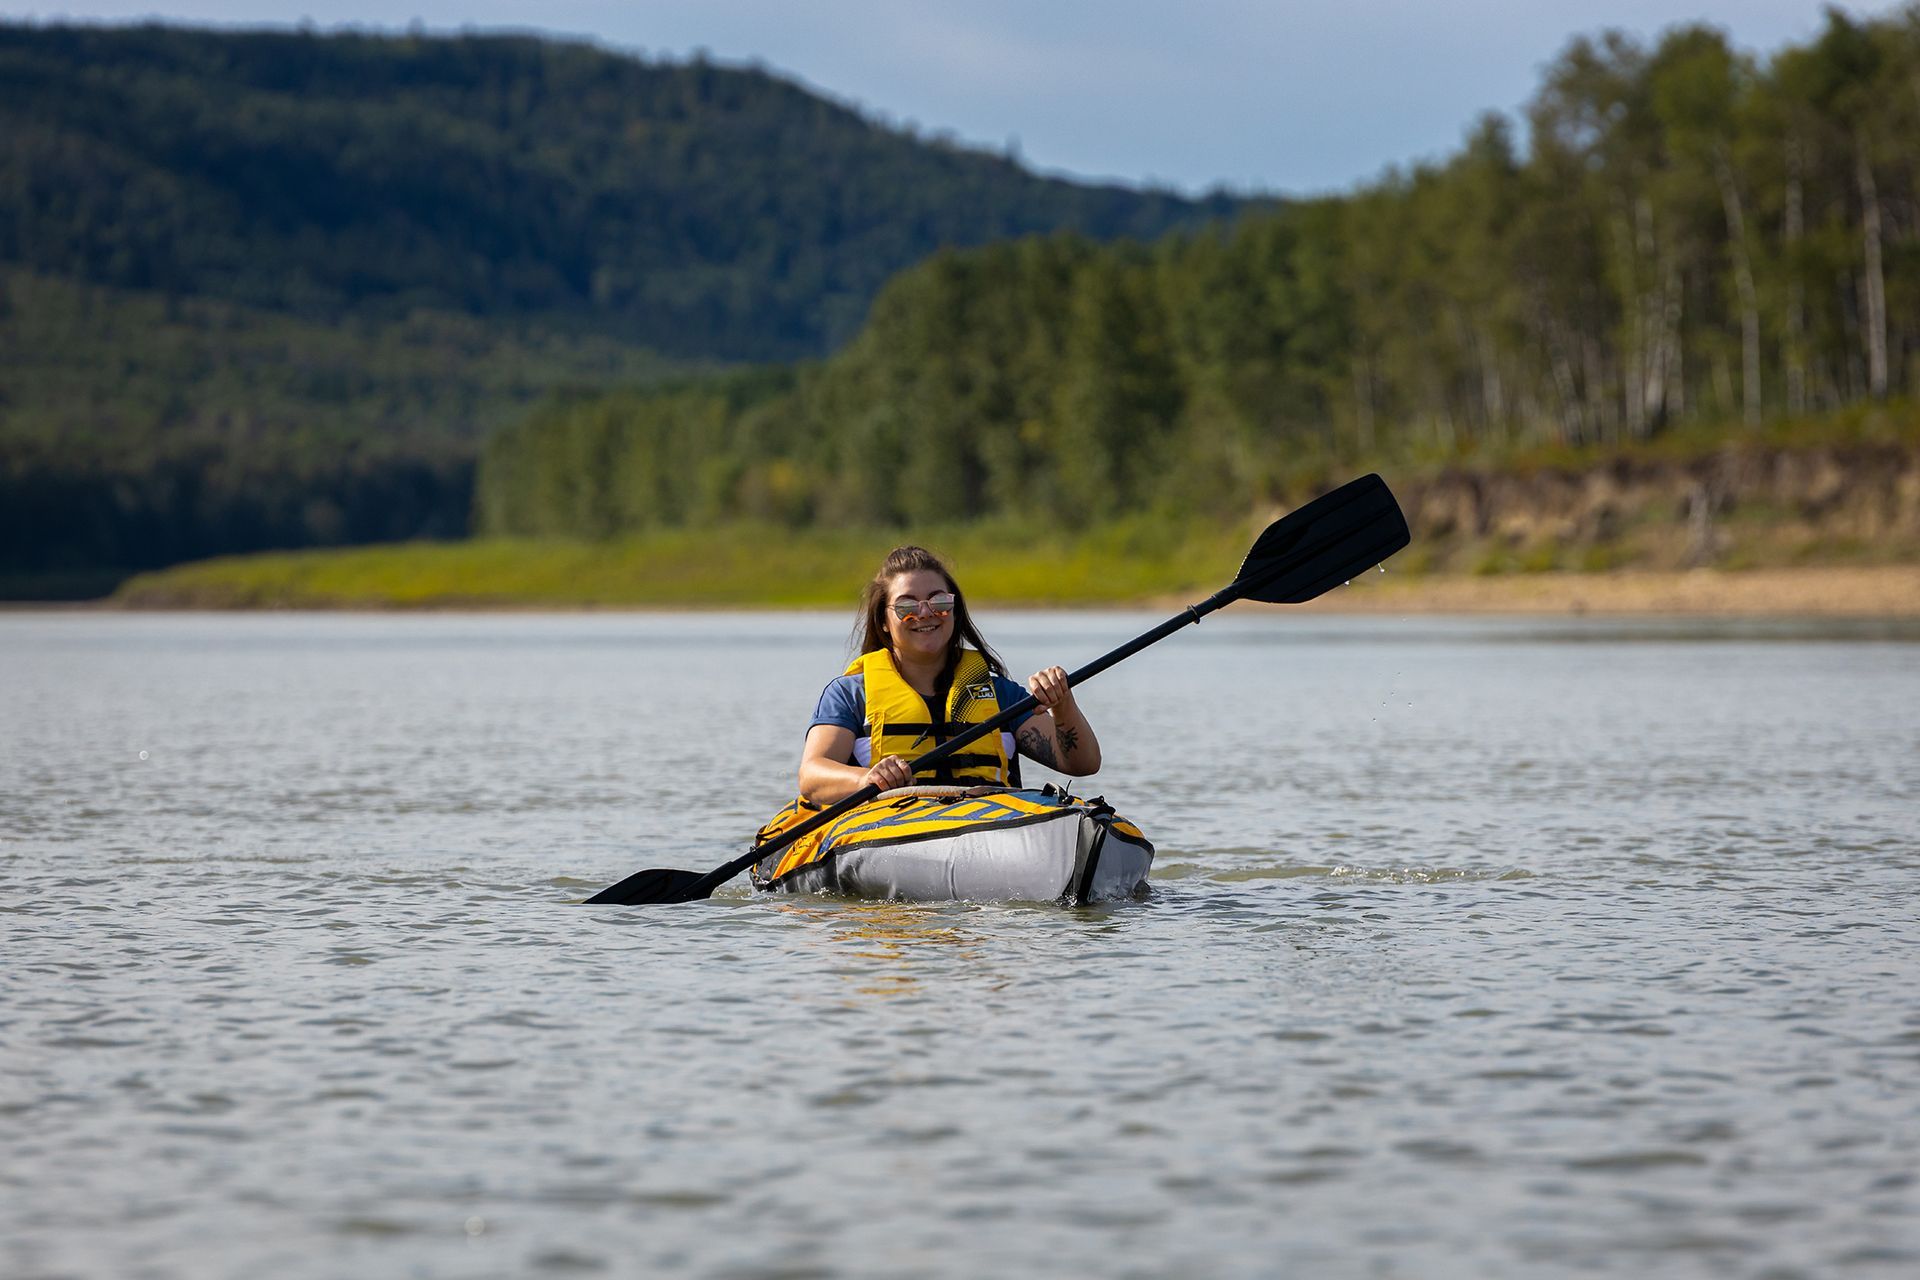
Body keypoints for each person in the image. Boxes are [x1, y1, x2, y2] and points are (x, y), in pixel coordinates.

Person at [799, 545, 1100, 804]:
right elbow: (812, 776)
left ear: (954, 611)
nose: (926, 613)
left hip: (990, 827)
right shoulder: (851, 695)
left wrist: (1063, 705)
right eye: (906, 605)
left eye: (939, 601)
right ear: (885, 621)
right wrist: (867, 778)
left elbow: (1081, 763)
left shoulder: (1001, 695)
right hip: (891, 829)